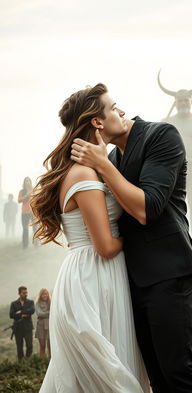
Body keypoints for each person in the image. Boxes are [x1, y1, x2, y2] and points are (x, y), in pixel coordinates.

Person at [70, 85, 192, 392]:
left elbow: (147, 209)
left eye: (117, 105)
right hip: (133, 279)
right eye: (113, 107)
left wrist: (103, 165)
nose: (120, 110)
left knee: (178, 374)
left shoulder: (162, 136)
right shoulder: (113, 159)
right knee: (156, 378)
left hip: (170, 272)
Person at [30, 84, 149, 393]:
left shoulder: (92, 169)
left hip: (93, 274)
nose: (120, 112)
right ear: (97, 121)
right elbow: (106, 246)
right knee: (107, 373)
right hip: (93, 278)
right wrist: (141, 235)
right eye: (112, 107)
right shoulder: (84, 174)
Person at [158, 68, 192, 251]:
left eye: (186, 99)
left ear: (191, 101)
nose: (183, 103)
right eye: (180, 100)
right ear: (176, 102)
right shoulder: (167, 121)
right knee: (172, 204)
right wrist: (161, 124)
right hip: (173, 168)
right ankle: (178, 237)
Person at [9, 286, 35, 361]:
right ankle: (21, 363)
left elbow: (32, 310)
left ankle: (27, 359)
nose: (26, 294)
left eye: (26, 292)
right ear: (19, 293)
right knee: (19, 347)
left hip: (28, 328)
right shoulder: (14, 303)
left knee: (29, 345)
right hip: (18, 328)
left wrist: (20, 312)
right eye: (24, 293)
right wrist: (25, 314)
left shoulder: (30, 302)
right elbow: (11, 315)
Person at [18, 177, 35, 249]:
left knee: (35, 228)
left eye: (28, 181)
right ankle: (25, 245)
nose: (27, 182)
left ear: (30, 182)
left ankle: (37, 244)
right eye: (26, 181)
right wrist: (26, 195)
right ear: (24, 183)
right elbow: (19, 200)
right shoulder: (22, 191)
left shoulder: (34, 190)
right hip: (24, 212)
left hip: (33, 212)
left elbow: (38, 199)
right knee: (25, 229)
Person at [35, 288, 51, 357]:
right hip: (40, 326)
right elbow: (39, 314)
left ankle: (50, 363)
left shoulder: (51, 302)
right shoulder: (37, 303)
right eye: (43, 294)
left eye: (46, 294)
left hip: (50, 325)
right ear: (40, 295)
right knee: (42, 346)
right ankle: (42, 363)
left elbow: (54, 313)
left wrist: (44, 313)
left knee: (50, 346)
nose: (45, 295)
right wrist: (49, 313)